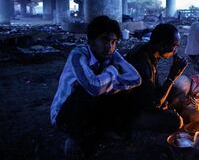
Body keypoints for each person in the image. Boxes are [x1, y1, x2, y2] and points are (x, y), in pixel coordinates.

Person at [50, 15, 142, 159]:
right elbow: (93, 87)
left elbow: (136, 78)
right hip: (65, 114)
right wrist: (112, 70)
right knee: (85, 89)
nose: (110, 47)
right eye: (105, 40)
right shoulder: (79, 54)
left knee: (126, 92)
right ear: (92, 41)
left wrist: (109, 84)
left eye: (114, 42)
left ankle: (107, 128)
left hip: (90, 107)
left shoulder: (112, 54)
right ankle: (74, 137)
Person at [124, 23, 188, 132]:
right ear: (163, 45)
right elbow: (153, 103)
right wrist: (172, 76)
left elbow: (155, 87)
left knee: (184, 82)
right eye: (174, 46)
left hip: (150, 98)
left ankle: (167, 109)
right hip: (135, 111)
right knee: (177, 121)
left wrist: (164, 101)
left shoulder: (151, 52)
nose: (175, 51)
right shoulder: (141, 61)